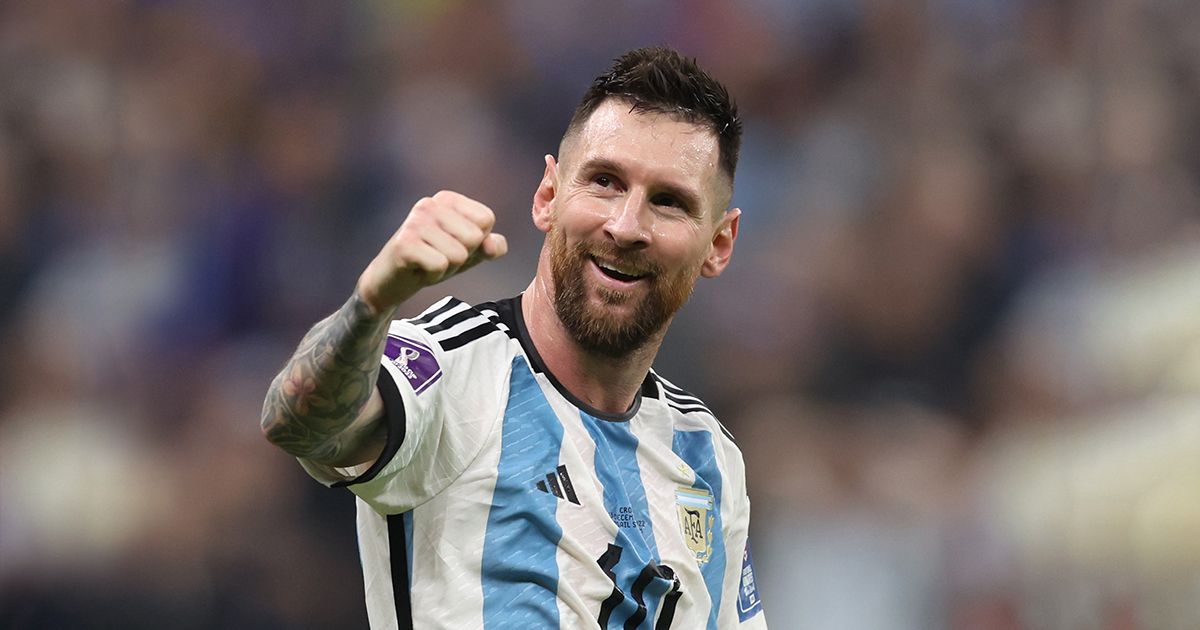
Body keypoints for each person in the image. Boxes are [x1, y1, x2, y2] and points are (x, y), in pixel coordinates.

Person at [261, 46, 767, 629]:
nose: (626, 226)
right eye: (604, 181)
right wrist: (372, 303)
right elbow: (297, 422)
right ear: (548, 195)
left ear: (719, 244)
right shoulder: (454, 369)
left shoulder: (709, 459)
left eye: (669, 202)